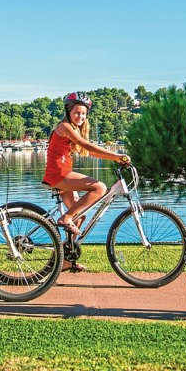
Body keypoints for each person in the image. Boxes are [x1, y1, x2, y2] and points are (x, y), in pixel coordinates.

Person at [42, 92, 130, 270]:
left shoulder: (73, 129)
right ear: (68, 111)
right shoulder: (65, 127)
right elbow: (87, 145)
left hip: (62, 174)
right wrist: (116, 156)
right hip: (59, 174)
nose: (80, 116)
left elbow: (89, 151)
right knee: (100, 188)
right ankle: (65, 217)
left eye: (83, 113)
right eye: (77, 112)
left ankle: (65, 260)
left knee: (79, 216)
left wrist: (115, 158)